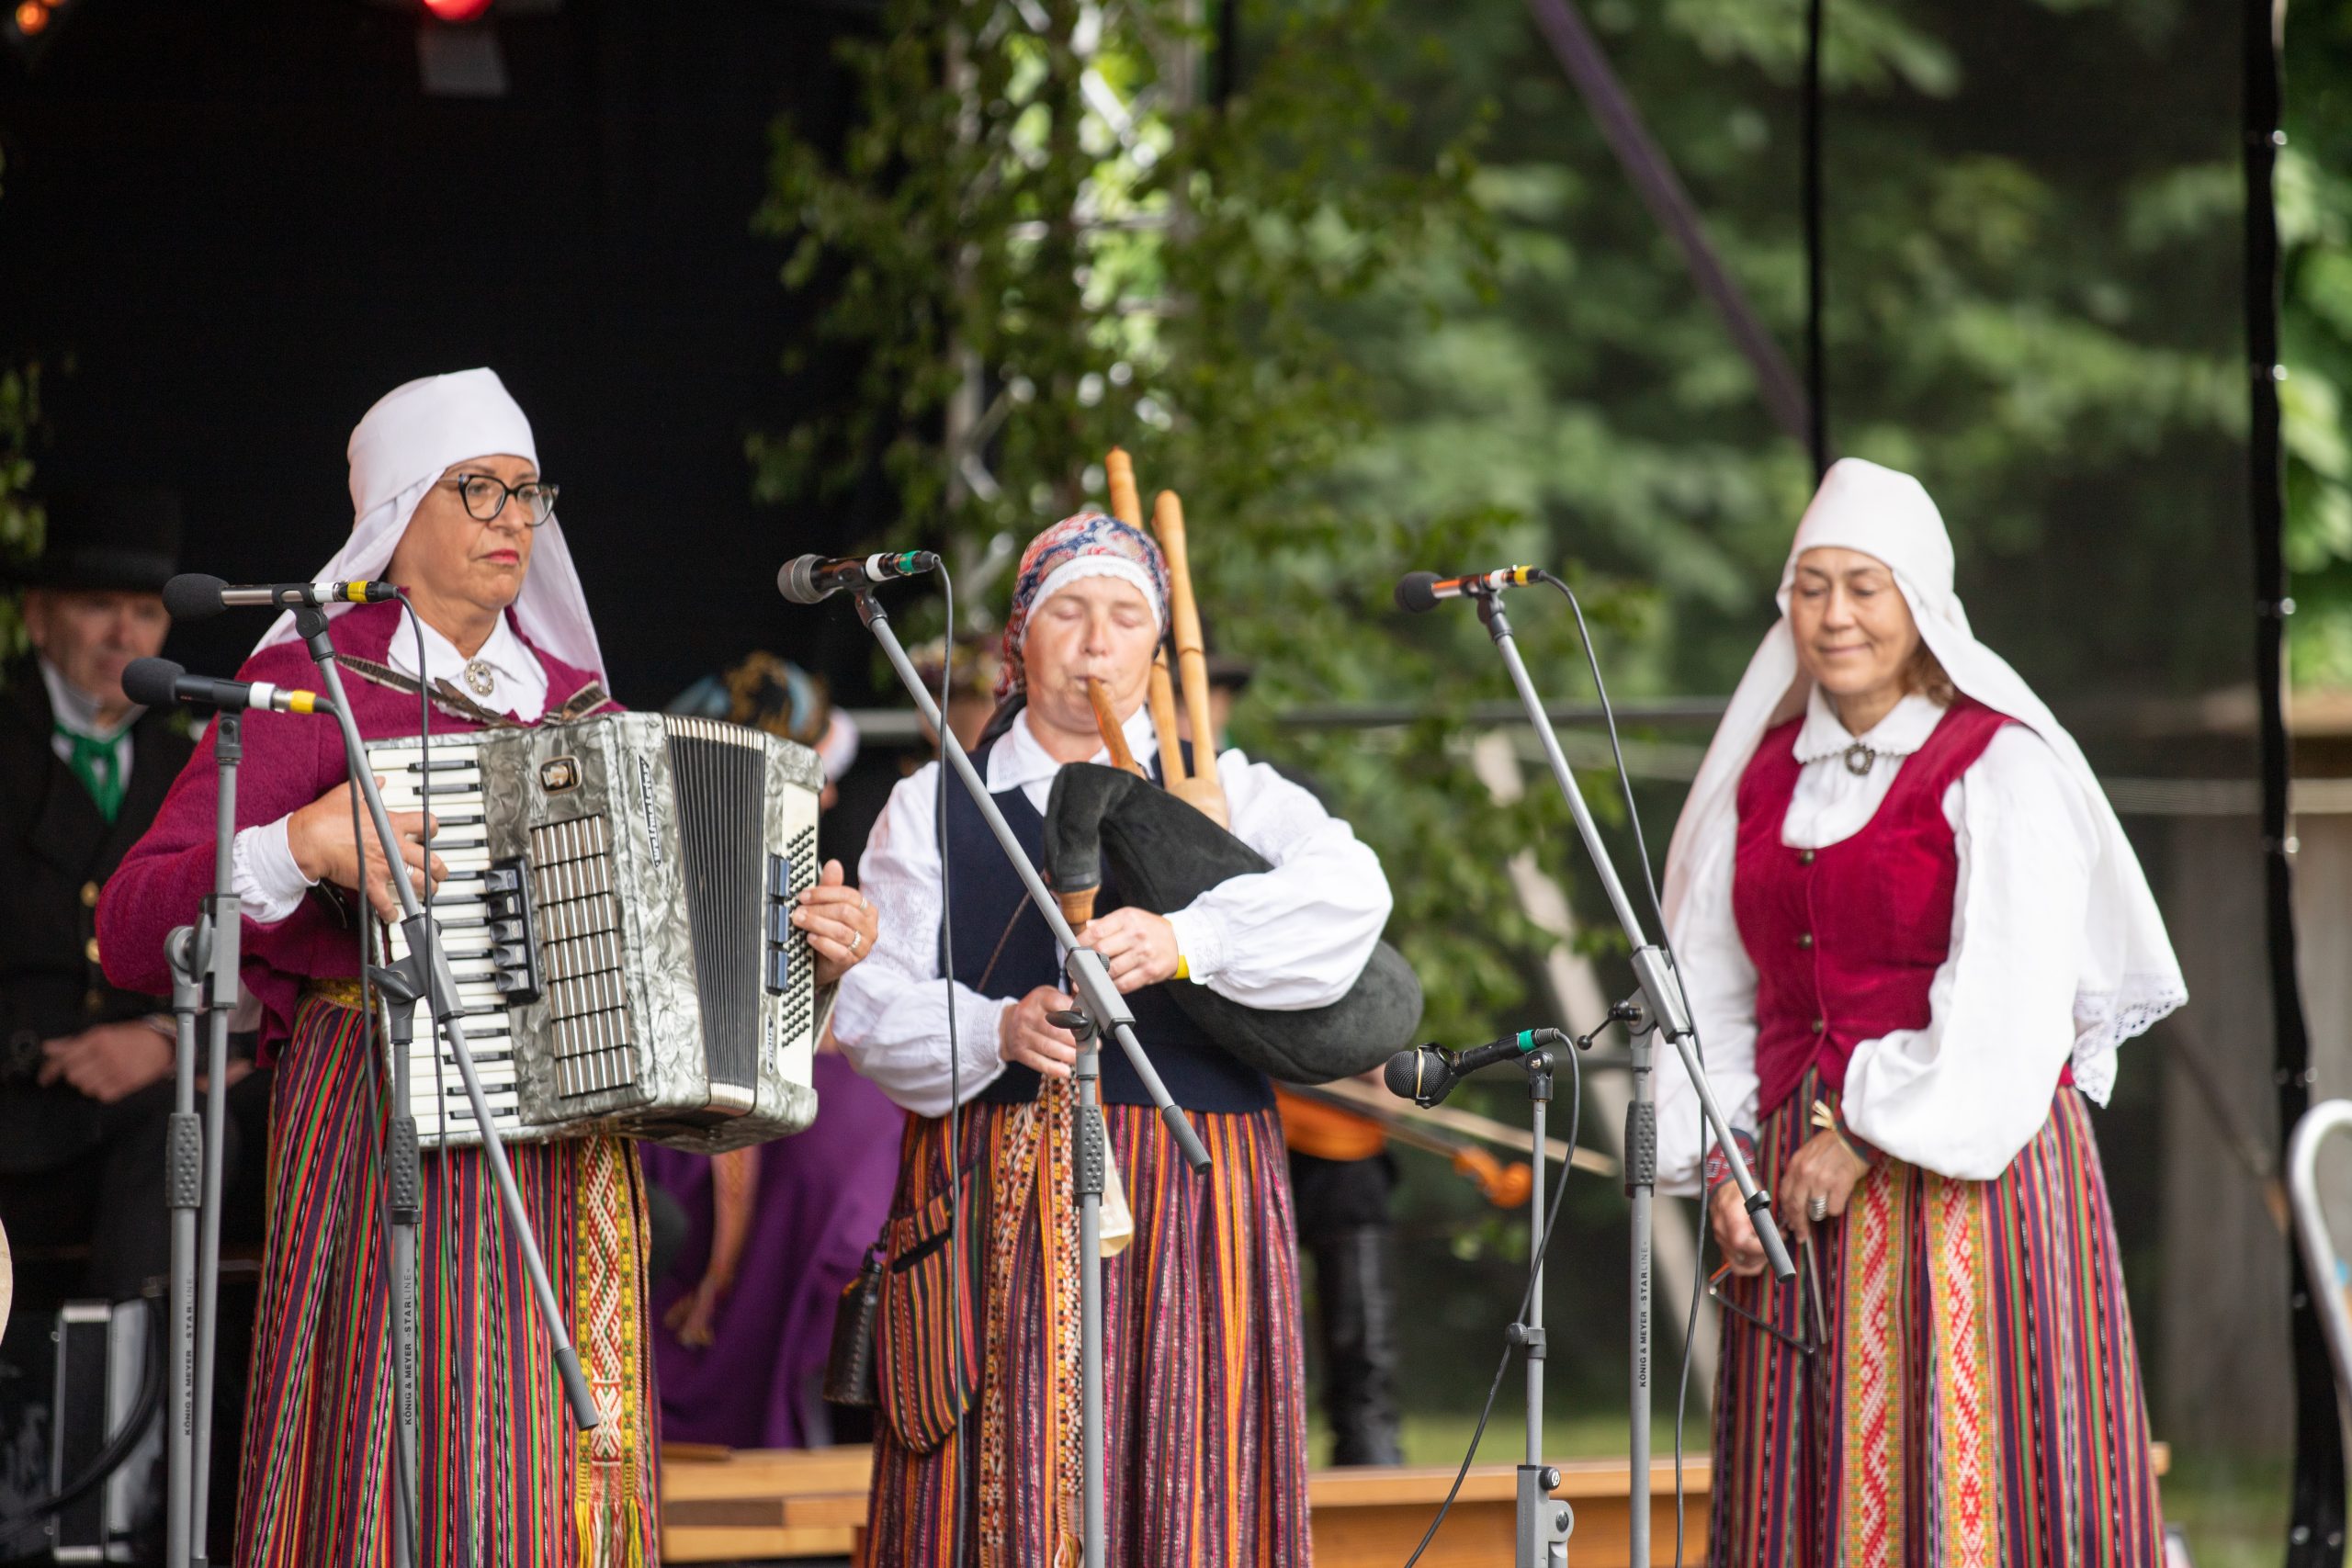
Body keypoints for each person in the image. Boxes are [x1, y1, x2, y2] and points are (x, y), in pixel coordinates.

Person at [96, 369, 882, 1565]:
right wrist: (297, 843)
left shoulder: (580, 709)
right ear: (397, 510)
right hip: (381, 1119)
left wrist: (804, 956)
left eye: (529, 492)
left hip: (574, 1156)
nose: (515, 517)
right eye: (479, 488)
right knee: (402, 1446)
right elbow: (130, 924)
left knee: (555, 1464)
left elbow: (674, 995)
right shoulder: (317, 682)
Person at [834, 511, 1395, 1563]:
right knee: (1002, 1493)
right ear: (1021, 638)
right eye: (1071, 613)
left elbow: (1351, 901)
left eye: (1127, 617)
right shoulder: (935, 804)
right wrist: (994, 1027)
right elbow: (868, 1009)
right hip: (993, 1190)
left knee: (1193, 1476)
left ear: (1157, 647)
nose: (1097, 642)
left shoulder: (1226, 791)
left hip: (1199, 1189)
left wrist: (1191, 939)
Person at [1656, 458, 2184, 1564]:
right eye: (1810, 588)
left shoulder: (1999, 764)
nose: (1833, 616)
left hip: (1966, 1181)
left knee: (1966, 1465)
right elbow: (1711, 983)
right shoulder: (1762, 775)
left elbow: (2013, 993)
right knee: (1799, 1478)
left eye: (1864, 587)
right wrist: (1725, 1164)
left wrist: (1865, 1134)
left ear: (1921, 602)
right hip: (1792, 1190)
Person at [643, 651, 905, 1450]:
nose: (828, 796)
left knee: (856, 1125)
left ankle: (808, 1396)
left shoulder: (797, 871)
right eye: (814, 776)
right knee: (851, 1132)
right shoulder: (659, 843)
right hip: (661, 1132)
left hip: (737, 1121)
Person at [1192, 637, 1403, 1468]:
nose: (1205, 708)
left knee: (1355, 1176)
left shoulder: (1281, 800)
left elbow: (1350, 943)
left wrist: (1376, 1055)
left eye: (1214, 692)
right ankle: (1242, 1437)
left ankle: (1368, 1423)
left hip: (1302, 1078)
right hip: (1205, 1084)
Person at [0, 488, 203, 1302]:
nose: (125, 634)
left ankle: (137, 1390)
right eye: (98, 606)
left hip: (137, 1118)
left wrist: (162, 1039)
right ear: (38, 616)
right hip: (18, 1115)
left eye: (146, 613)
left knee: (195, 1132)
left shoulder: (194, 767)